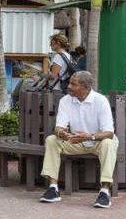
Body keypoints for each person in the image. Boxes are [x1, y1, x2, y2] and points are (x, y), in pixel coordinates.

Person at [39, 71, 118, 208]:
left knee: (108, 144)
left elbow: (109, 133)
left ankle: (104, 191)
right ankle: (53, 188)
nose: (68, 86)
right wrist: (61, 133)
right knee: (52, 140)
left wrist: (90, 136)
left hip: (97, 141)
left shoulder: (100, 101)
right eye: (69, 83)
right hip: (76, 141)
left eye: (73, 84)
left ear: (86, 87)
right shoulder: (65, 100)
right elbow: (58, 127)